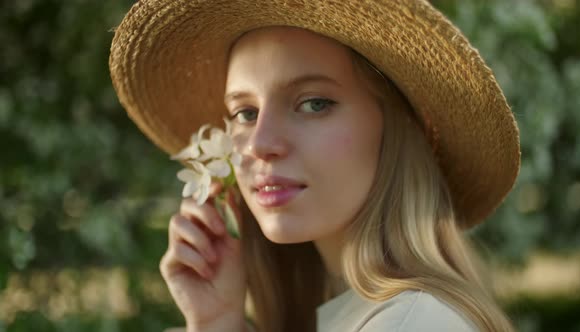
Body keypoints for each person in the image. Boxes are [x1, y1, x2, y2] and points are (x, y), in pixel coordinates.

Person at [109, 1, 521, 331]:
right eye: (245, 113)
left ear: (402, 128)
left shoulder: (413, 323)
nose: (260, 144)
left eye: (314, 103)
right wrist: (217, 322)